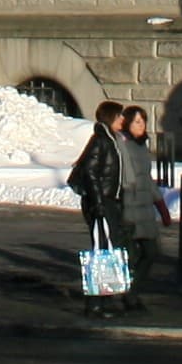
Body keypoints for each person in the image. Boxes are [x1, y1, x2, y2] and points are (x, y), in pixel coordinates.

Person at [70, 102, 129, 316]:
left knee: (107, 249)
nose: (123, 119)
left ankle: (104, 298)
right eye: (120, 116)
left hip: (107, 201)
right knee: (100, 251)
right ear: (111, 117)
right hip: (100, 203)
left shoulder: (111, 139)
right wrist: (98, 203)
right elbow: (90, 172)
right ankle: (95, 303)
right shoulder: (101, 141)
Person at [111, 105, 162, 308]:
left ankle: (132, 291)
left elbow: (147, 178)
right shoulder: (123, 145)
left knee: (151, 253)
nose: (141, 126)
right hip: (129, 208)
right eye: (137, 122)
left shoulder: (142, 146)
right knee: (130, 256)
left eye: (143, 121)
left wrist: (160, 202)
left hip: (145, 209)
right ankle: (128, 296)